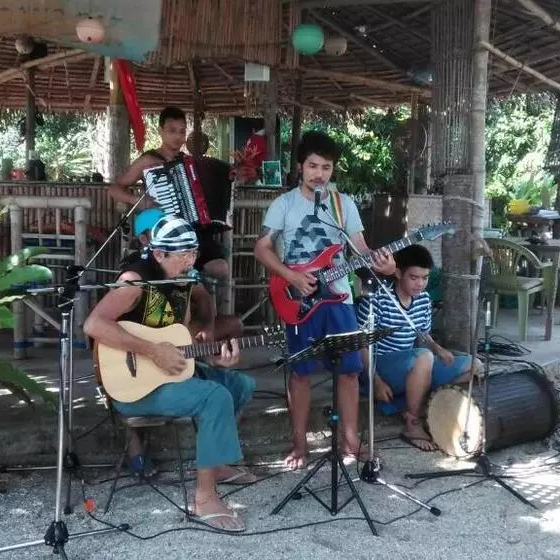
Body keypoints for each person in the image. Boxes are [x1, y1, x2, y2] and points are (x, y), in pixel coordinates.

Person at [84, 215, 255, 532]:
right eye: (183, 254)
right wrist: (152, 350)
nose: (191, 261)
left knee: (240, 385)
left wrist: (210, 342)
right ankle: (204, 499)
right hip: (132, 386)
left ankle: (216, 463)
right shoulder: (135, 280)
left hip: (169, 373)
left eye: (194, 253)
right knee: (214, 397)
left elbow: (202, 307)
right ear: (159, 253)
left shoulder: (186, 278)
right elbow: (94, 324)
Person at [253, 130, 395, 470]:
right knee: (300, 374)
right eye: (313, 166)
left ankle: (350, 441)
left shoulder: (343, 204)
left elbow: (360, 250)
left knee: (349, 371)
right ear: (300, 167)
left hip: (340, 298)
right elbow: (261, 248)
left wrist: (384, 264)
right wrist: (291, 276)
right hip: (298, 299)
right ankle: (299, 445)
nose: (319, 174)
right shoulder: (284, 204)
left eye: (326, 167)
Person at [355, 244, 483, 452]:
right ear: (398, 274)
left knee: (474, 365)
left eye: (425, 278)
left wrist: (437, 347)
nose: (420, 284)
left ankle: (427, 410)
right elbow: (361, 344)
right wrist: (376, 381)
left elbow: (422, 334)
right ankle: (412, 424)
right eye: (414, 278)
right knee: (424, 357)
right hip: (380, 368)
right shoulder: (377, 299)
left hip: (414, 364)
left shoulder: (423, 299)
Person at [107, 106, 229, 279]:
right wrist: (139, 201)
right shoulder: (148, 160)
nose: (178, 137)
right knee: (174, 269)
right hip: (162, 229)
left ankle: (188, 274)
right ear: (161, 131)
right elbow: (114, 189)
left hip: (189, 229)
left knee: (221, 268)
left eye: (182, 131)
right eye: (172, 131)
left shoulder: (189, 163)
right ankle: (182, 275)